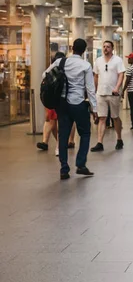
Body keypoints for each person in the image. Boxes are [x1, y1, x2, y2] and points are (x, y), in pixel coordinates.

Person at [43, 39, 97, 180]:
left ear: (72, 48)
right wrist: (94, 109)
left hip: (62, 104)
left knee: (63, 135)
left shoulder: (60, 62)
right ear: (84, 50)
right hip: (78, 103)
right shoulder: (85, 65)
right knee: (85, 133)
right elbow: (90, 89)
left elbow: (45, 75)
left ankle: (64, 168)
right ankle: (80, 165)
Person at [37, 52, 76, 156]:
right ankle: (55, 143)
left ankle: (63, 143)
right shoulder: (54, 70)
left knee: (59, 122)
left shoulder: (57, 70)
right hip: (56, 100)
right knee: (53, 120)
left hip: (60, 100)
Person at [91, 41, 126, 152]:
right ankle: (100, 142)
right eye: (104, 47)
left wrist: (117, 87)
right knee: (102, 118)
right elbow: (96, 76)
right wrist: (95, 89)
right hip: (101, 93)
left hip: (113, 93)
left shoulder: (117, 60)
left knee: (115, 117)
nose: (106, 48)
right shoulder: (98, 61)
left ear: (112, 48)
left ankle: (119, 139)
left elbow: (121, 74)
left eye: (108, 47)